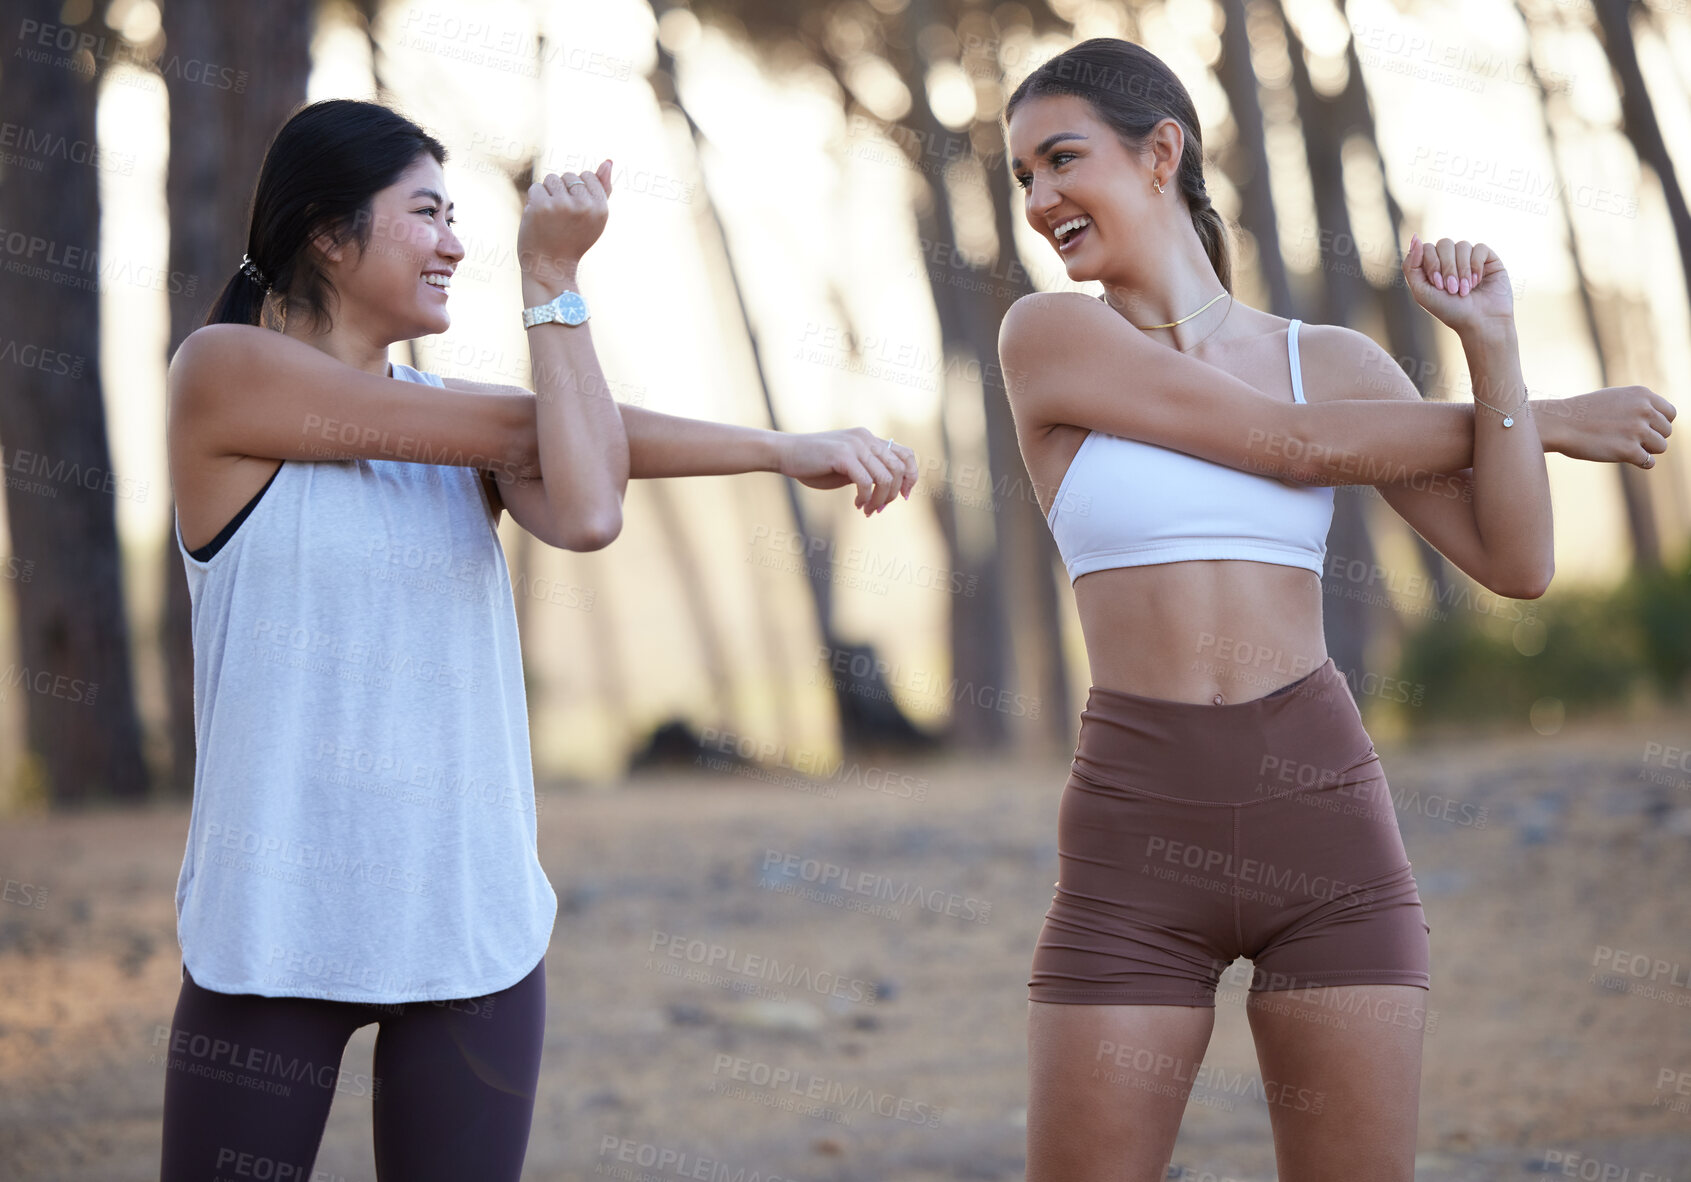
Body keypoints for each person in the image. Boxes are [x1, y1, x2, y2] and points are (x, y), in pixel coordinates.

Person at [159, 98, 917, 1182]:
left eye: (458, 215)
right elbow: (542, 433)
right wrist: (550, 283)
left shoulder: (454, 425)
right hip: (275, 921)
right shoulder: (223, 374)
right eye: (426, 213)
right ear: (328, 235)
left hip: (469, 921)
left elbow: (589, 505)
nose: (455, 242)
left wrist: (779, 447)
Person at [996, 38, 1673, 1181]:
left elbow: (1514, 562)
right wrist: (1545, 419)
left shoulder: (1335, 363)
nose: (1038, 199)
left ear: (1160, 152)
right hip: (1131, 841)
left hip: (1326, 829)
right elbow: (1286, 445)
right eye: (1020, 178)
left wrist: (1495, 355)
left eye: (1060, 160)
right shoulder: (1052, 339)